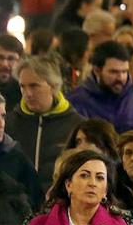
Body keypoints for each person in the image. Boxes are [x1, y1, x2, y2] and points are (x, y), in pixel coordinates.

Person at [8, 55, 85, 190]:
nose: (28, 93)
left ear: (53, 86)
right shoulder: (9, 123)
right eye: (22, 86)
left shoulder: (78, 125)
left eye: (34, 86)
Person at [65, 41, 133, 133]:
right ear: (97, 70)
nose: (121, 78)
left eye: (124, 71)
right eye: (113, 72)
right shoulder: (75, 101)